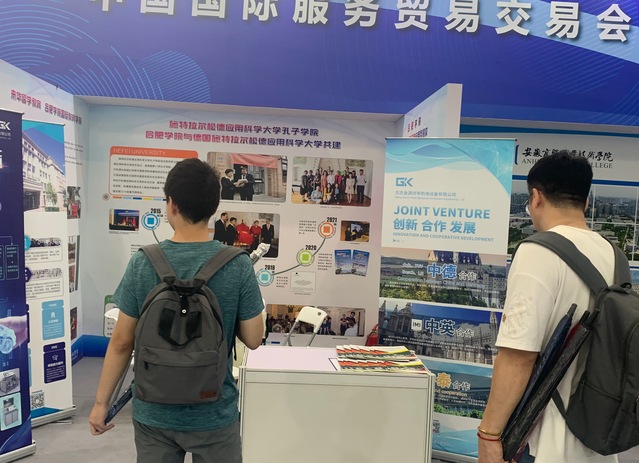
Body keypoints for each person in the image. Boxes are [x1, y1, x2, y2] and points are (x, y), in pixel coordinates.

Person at [88, 158, 265, 463]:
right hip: (213, 411)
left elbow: (121, 342)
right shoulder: (238, 264)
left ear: (171, 204)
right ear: (214, 207)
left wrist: (102, 404)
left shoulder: (143, 262)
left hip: (154, 412)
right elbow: (253, 338)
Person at [478, 151, 616, 463]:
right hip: (599, 439)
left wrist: (488, 434)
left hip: (542, 443)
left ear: (536, 197)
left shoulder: (537, 252)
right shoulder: (613, 255)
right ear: (586, 202)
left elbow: (518, 356)